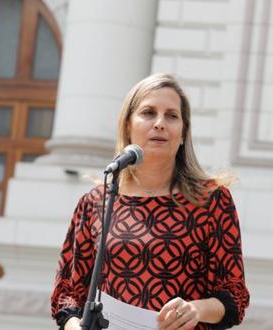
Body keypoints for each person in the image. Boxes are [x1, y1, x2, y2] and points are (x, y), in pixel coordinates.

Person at [50, 73, 250, 330]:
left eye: (171, 116)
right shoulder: (96, 203)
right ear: (127, 126)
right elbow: (68, 294)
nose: (159, 124)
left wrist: (195, 310)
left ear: (182, 133)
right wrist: (74, 326)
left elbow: (234, 296)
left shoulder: (210, 200)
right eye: (148, 113)